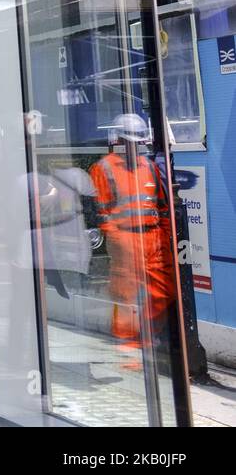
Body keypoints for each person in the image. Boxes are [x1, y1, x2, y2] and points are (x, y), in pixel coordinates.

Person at [89, 113, 176, 371]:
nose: (133, 147)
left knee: (165, 288)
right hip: (126, 239)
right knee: (126, 294)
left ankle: (145, 339)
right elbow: (100, 210)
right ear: (117, 139)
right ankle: (127, 347)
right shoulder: (104, 168)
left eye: (136, 142)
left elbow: (162, 205)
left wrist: (164, 234)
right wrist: (117, 238)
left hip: (152, 236)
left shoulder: (148, 166)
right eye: (128, 141)